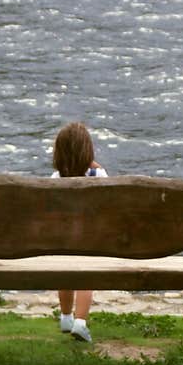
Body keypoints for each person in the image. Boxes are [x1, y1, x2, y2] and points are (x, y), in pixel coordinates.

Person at [51, 121, 107, 344]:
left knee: (66, 271)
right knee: (86, 275)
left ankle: (65, 316)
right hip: (89, 240)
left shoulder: (56, 179)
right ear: (88, 150)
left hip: (62, 241)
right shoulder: (97, 174)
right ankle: (80, 322)